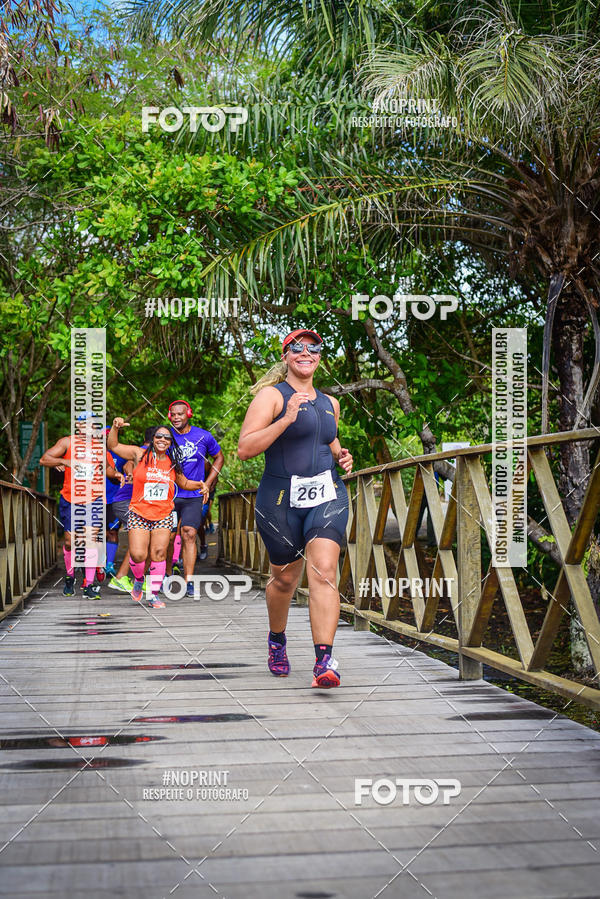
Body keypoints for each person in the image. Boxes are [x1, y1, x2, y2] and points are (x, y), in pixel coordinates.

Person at [238, 329, 353, 688]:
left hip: (327, 494)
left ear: (320, 356)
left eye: (314, 347)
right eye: (298, 347)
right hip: (280, 501)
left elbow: (326, 436)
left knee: (324, 571)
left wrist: (340, 454)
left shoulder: (330, 402)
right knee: (285, 579)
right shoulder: (271, 397)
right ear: (286, 355)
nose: (307, 352)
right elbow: (245, 449)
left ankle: (324, 662)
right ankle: (277, 640)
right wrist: (285, 419)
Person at [107, 419, 209, 609]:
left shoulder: (172, 462)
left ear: (171, 442)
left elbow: (184, 483)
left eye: (167, 437)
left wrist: (201, 485)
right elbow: (113, 445)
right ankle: (138, 580)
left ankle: (153, 595)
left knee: (159, 553)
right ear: (153, 439)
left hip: (163, 514)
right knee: (138, 555)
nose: (163, 439)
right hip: (139, 512)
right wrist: (115, 427)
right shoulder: (140, 454)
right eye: (159, 436)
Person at [40, 414, 123, 598]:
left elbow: (108, 469)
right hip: (71, 499)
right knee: (70, 542)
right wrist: (63, 461)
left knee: (91, 540)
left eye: (94, 423)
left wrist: (116, 475)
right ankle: (70, 576)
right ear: (78, 425)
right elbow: (44, 459)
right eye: (85, 423)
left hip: (94, 499)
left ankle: (89, 584)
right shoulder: (67, 443)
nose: (89, 426)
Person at [167, 400, 224, 595]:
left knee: (189, 533)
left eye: (180, 414)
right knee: (167, 537)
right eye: (173, 414)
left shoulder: (203, 436)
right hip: (169, 495)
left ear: (188, 414)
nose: (176, 418)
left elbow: (219, 457)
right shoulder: (166, 436)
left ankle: (188, 581)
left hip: (193, 495)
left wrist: (208, 483)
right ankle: (166, 575)